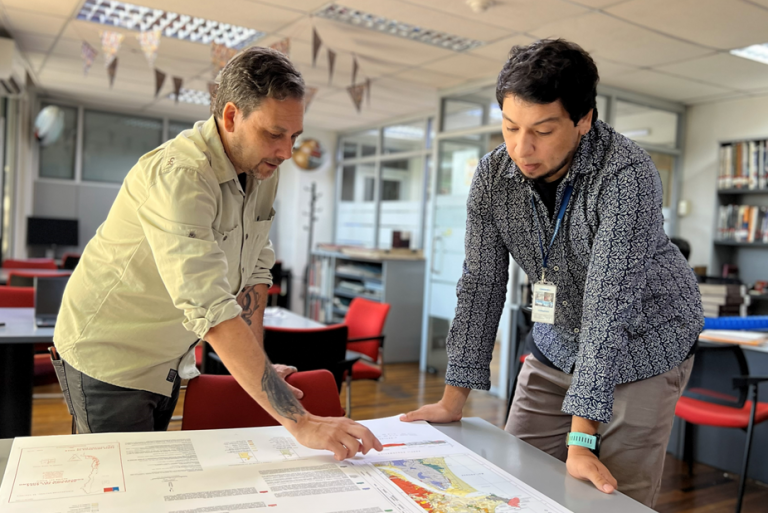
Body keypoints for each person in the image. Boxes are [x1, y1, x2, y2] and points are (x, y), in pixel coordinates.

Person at [402, 39, 703, 508]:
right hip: (558, 337)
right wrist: (452, 400)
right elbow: (481, 284)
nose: (522, 148)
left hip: (644, 339)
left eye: (542, 130)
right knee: (515, 477)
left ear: (584, 119)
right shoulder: (493, 177)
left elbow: (609, 304)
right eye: (510, 127)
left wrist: (581, 441)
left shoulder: (626, 173)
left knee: (612, 495)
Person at [52, 47, 382, 461]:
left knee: (151, 472)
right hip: (111, 353)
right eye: (274, 134)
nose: (286, 152)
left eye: (294, 137)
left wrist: (261, 368)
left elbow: (255, 271)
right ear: (230, 117)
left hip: (166, 356)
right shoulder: (182, 175)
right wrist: (301, 421)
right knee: (125, 482)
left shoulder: (261, 170)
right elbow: (210, 306)